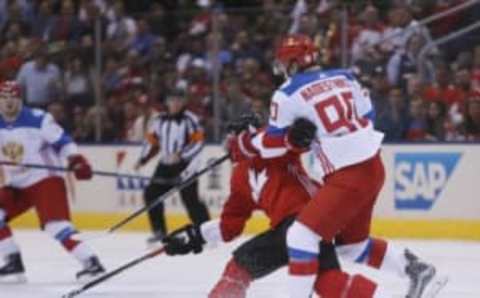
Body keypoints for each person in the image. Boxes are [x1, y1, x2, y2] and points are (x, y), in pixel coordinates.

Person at [227, 34, 448, 298]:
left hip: (348, 174)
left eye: (285, 63)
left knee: (300, 236)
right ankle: (415, 268)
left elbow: (274, 143)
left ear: (294, 64)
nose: (283, 68)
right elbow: (367, 115)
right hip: (373, 167)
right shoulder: (346, 76)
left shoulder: (286, 94)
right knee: (351, 246)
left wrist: (245, 143)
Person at [162, 114, 381, 298]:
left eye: (234, 136)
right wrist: (195, 236)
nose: (230, 143)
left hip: (303, 220)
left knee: (240, 267)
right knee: (326, 281)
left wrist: (294, 136)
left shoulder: (272, 148)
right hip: (316, 223)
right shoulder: (239, 178)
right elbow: (230, 226)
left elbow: (290, 141)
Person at [0, 81, 105, 282]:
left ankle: (91, 262)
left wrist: (76, 160)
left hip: (45, 180)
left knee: (55, 226)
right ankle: (13, 263)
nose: (8, 102)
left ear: (20, 99)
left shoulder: (38, 119)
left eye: (12, 97)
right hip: (17, 185)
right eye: (4, 98)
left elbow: (63, 142)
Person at [135, 88, 210, 243]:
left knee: (191, 200)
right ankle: (159, 231)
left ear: (183, 102)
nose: (175, 104)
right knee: (151, 194)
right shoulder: (159, 120)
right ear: (167, 102)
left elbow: (198, 142)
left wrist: (182, 155)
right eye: (172, 100)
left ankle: (206, 232)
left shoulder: (190, 119)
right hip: (165, 165)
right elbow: (151, 141)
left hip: (186, 166)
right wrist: (142, 159)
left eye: (178, 100)